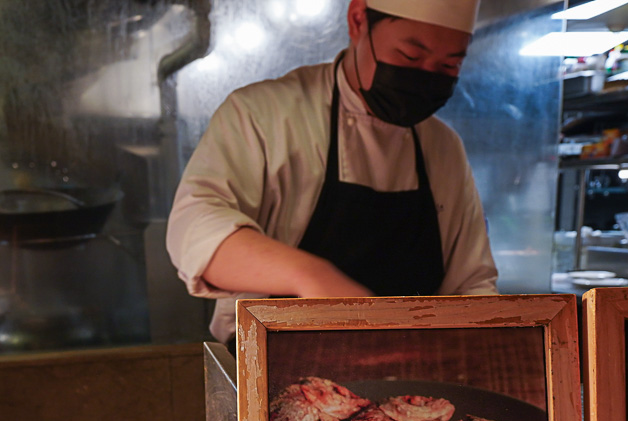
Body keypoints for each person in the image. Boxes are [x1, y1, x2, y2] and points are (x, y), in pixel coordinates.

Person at [166, 0, 498, 344]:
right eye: (410, 56)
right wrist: (309, 274)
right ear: (358, 20)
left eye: (448, 65)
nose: (425, 78)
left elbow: (471, 285)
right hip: (272, 363)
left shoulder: (443, 147)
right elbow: (195, 226)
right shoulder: (264, 115)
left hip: (411, 363)